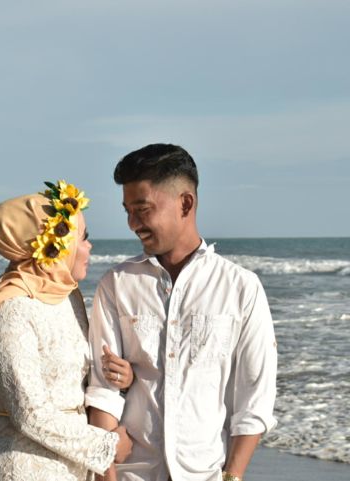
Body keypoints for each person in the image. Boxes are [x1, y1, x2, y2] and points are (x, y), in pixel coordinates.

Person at [85, 145, 278, 481]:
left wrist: (232, 477)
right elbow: (103, 390)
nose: (132, 224)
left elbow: (254, 397)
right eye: (127, 211)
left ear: (185, 203)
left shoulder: (241, 288)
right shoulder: (117, 284)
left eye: (143, 210)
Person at [0, 180, 134, 481]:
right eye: (83, 238)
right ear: (56, 245)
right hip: (24, 468)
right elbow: (29, 413)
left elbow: (75, 379)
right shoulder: (9, 312)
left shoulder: (68, 297)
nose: (89, 247)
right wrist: (107, 446)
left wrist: (122, 377)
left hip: (71, 467)